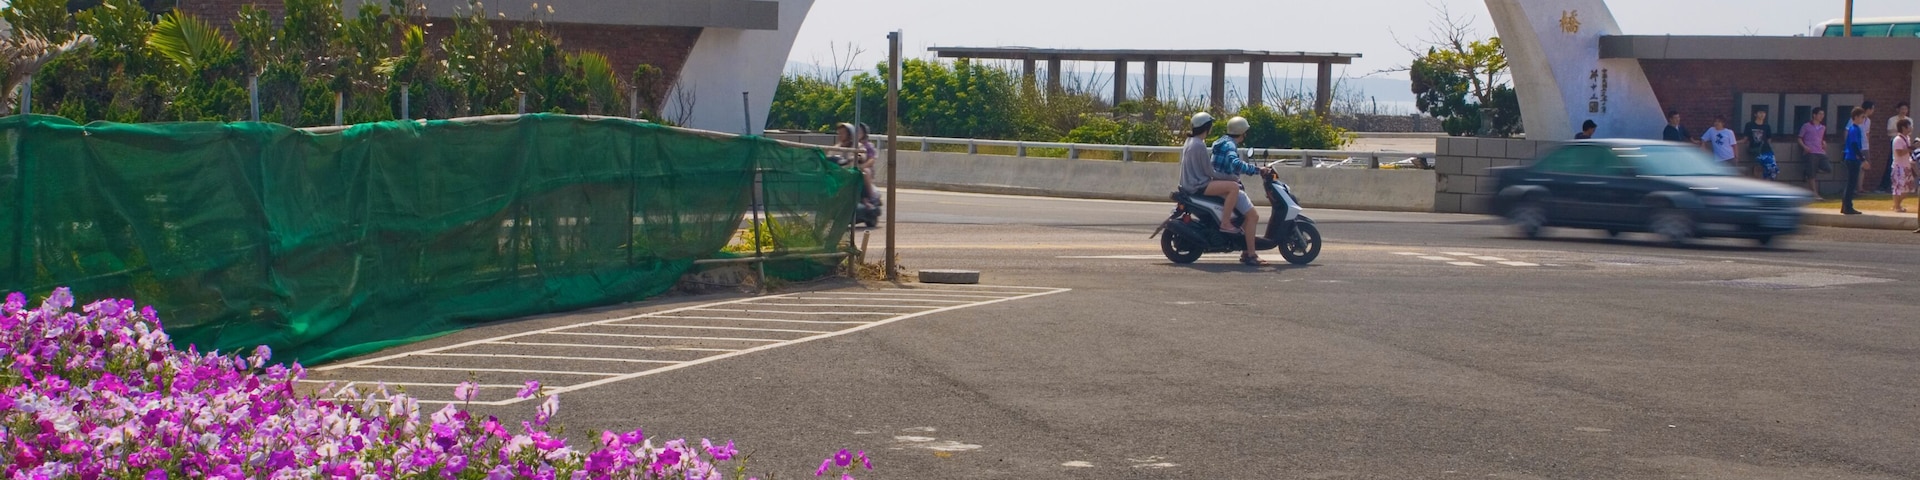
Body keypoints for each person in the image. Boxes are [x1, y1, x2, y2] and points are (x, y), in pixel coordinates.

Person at [1209, 116, 1271, 266]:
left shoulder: (1221, 141)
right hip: (1226, 185)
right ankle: (1250, 254)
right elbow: (1235, 163)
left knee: (1244, 217)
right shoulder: (1230, 145)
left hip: (1219, 182)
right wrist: (1258, 170)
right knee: (1253, 216)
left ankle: (1244, 248)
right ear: (1242, 132)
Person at [1843, 107, 1868, 215]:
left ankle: (1845, 206)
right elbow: (1854, 145)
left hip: (1852, 158)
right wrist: (1863, 159)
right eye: (1862, 117)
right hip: (1852, 158)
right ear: (1856, 117)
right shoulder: (1853, 129)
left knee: (1851, 183)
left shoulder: (1856, 128)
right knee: (1851, 184)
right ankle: (1848, 207)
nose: (1863, 119)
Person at [1801, 109, 1830, 200]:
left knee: (1828, 168)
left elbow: (1821, 138)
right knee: (1812, 174)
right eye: (1820, 114)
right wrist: (1804, 147)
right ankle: (1814, 193)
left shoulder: (1823, 127)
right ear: (1814, 115)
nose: (1822, 116)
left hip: (1820, 152)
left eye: (1823, 114)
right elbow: (1799, 138)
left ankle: (1808, 171)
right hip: (1810, 152)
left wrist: (1824, 143)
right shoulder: (1806, 126)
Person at [1883, 102, 1912, 194]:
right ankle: (1888, 185)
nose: (1904, 111)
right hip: (1895, 141)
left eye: (1905, 109)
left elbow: (1910, 132)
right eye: (1902, 109)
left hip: (1906, 141)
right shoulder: (1892, 120)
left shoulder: (1909, 120)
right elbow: (1889, 132)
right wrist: (1899, 130)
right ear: (1898, 109)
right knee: (1893, 162)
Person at [1742, 110, 1777, 180]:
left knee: (1771, 168)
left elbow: (1769, 139)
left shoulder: (1767, 126)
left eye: (1764, 113)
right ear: (1755, 114)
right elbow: (1745, 139)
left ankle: (1766, 182)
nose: (1762, 115)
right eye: (1760, 113)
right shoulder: (1749, 125)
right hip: (1755, 149)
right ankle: (1756, 181)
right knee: (1757, 166)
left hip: (1766, 149)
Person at [1895, 119, 1916, 213]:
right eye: (1909, 126)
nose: (1911, 128)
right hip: (1899, 167)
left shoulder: (1907, 138)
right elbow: (1899, 153)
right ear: (1904, 127)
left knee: (1909, 188)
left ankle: (1897, 205)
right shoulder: (1898, 139)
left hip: (1906, 166)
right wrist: (1911, 148)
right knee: (1898, 188)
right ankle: (1897, 206)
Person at [1858, 101, 1877, 194]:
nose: (1873, 111)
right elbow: (1847, 130)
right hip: (1857, 146)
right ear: (1868, 109)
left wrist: (1868, 144)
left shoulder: (1868, 121)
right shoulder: (1856, 118)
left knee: (1864, 167)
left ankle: (1860, 187)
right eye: (1872, 109)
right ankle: (1856, 188)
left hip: (1865, 146)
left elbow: (1867, 133)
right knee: (1858, 166)